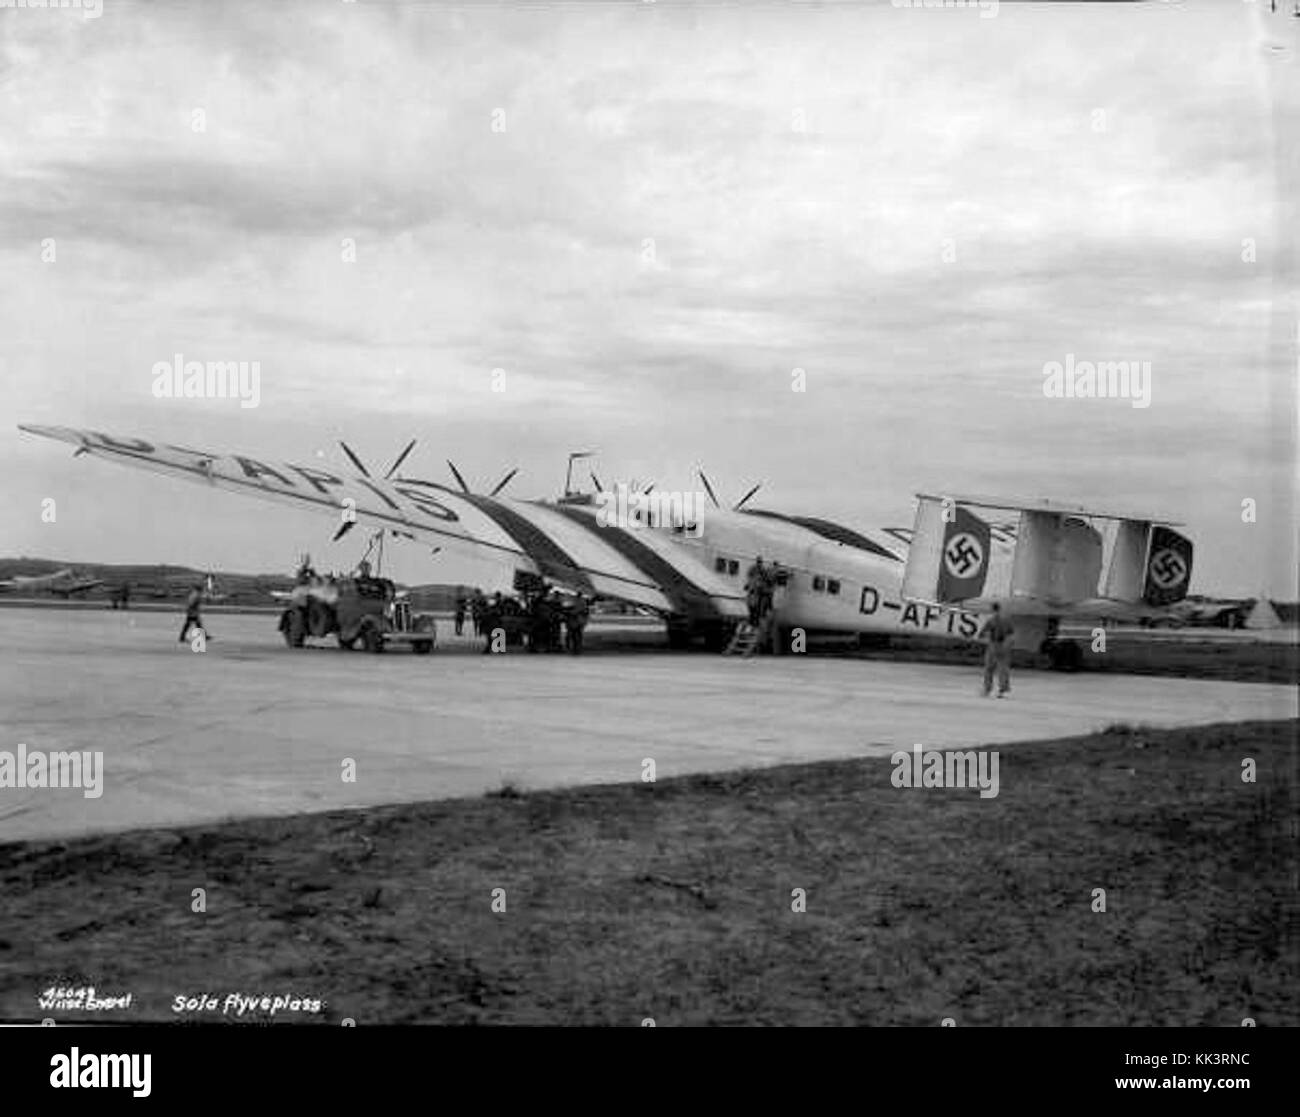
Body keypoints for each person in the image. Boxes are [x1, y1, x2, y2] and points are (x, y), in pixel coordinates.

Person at [978, 602, 1015, 697]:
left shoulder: (991, 620)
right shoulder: (1007, 620)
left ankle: (987, 689)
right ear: (1000, 608)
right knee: (1003, 668)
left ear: (992, 609)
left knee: (989, 668)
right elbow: (1011, 633)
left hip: (993, 644)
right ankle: (1002, 690)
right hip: (1004, 644)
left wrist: (984, 636)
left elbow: (982, 633)